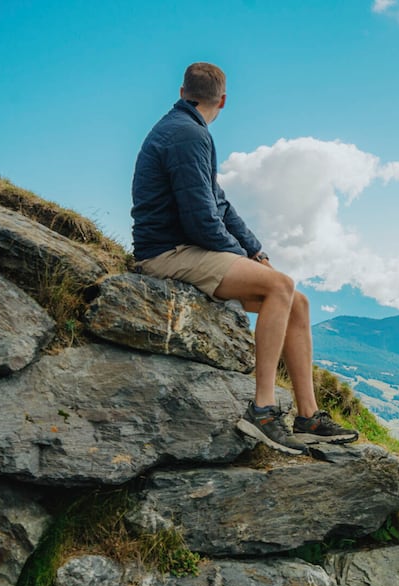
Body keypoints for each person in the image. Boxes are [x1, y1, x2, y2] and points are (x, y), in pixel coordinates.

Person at [131, 62, 357, 455]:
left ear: (183, 91)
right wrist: (252, 265)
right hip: (167, 253)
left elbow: (220, 203)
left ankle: (308, 415)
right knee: (280, 287)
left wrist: (257, 253)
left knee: (296, 301)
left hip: (186, 246)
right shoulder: (187, 136)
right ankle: (264, 410)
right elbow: (201, 221)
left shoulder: (186, 129)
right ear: (223, 100)